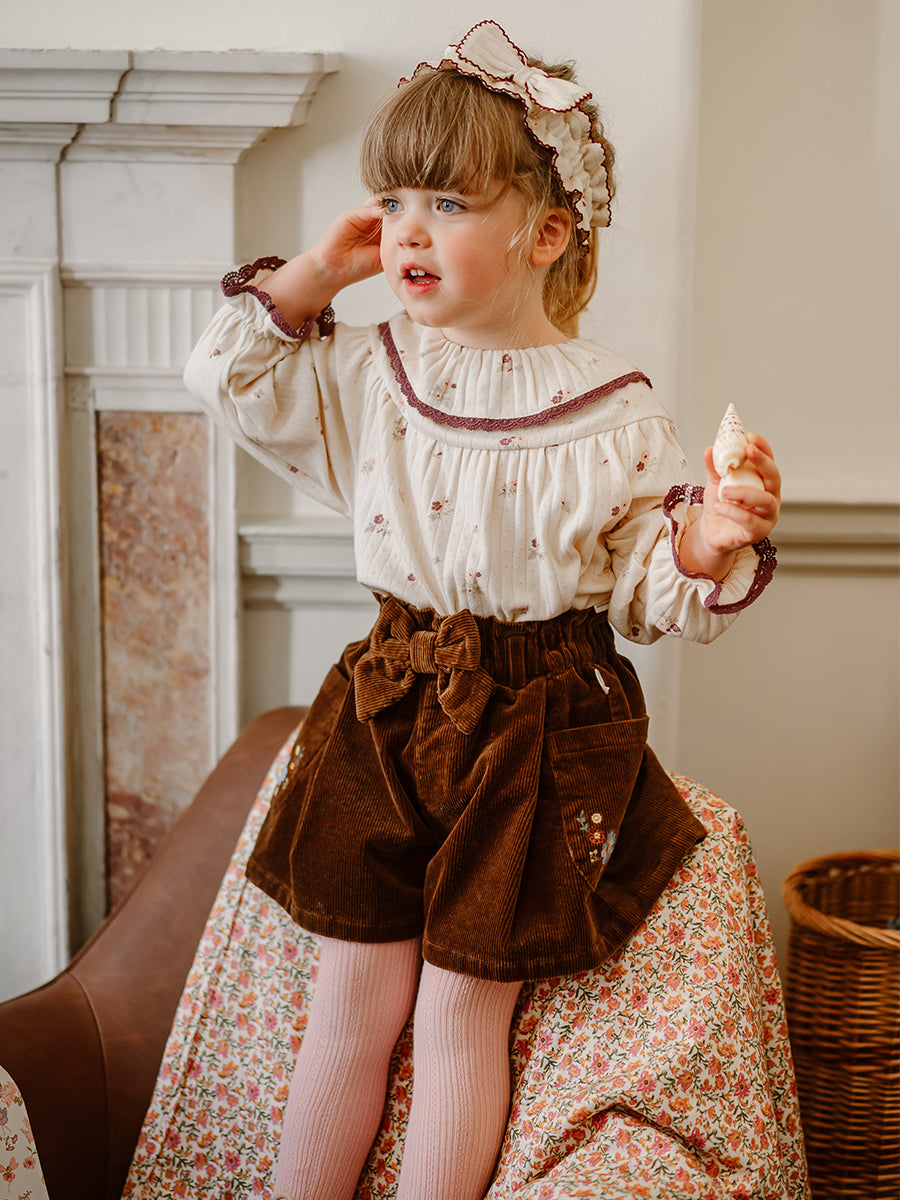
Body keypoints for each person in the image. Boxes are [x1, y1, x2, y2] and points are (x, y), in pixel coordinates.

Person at [184, 20, 780, 1200]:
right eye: (393, 200)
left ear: (545, 233)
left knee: (463, 1014)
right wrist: (321, 271)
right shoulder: (371, 373)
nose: (408, 228)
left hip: (539, 731)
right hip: (390, 703)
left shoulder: (614, 409)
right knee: (350, 1001)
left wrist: (708, 537)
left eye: (448, 204)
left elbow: (647, 587)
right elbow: (225, 375)